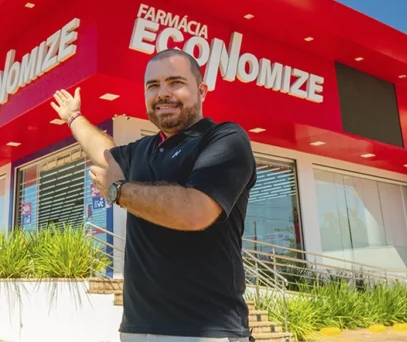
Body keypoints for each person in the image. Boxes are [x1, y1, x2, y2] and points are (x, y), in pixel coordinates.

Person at [51, 48, 257, 342]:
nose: (163, 93)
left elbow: (195, 211)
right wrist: (73, 117)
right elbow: (104, 152)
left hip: (205, 331)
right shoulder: (143, 150)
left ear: (201, 91)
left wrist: (119, 191)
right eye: (153, 85)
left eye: (175, 82)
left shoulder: (224, 139)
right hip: (136, 329)